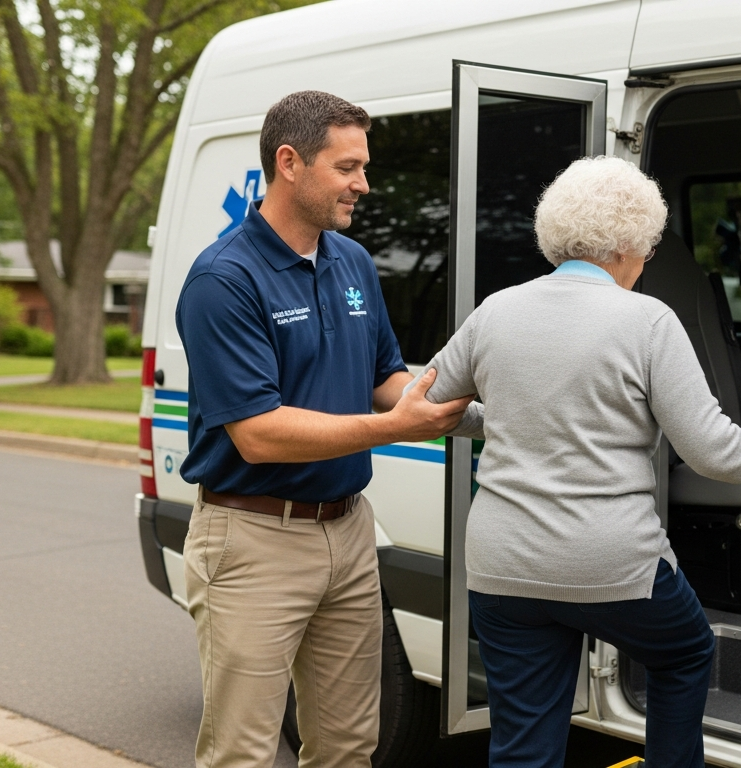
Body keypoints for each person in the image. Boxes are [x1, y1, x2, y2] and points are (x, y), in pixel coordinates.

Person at [416, 156, 741, 768]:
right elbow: (712, 450)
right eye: (647, 248)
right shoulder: (647, 320)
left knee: (524, 744)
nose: (645, 262)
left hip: (502, 564)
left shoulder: (496, 310)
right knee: (687, 653)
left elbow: (427, 404)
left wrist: (502, 419)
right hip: (608, 563)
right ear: (626, 245)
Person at [175, 90, 475, 768]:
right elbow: (260, 433)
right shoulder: (224, 279)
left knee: (347, 746)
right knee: (241, 753)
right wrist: (393, 427)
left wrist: (453, 399)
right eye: (346, 168)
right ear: (290, 162)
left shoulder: (352, 262)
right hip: (253, 540)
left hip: (348, 531)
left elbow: (386, 375)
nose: (363, 185)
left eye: (362, 167)